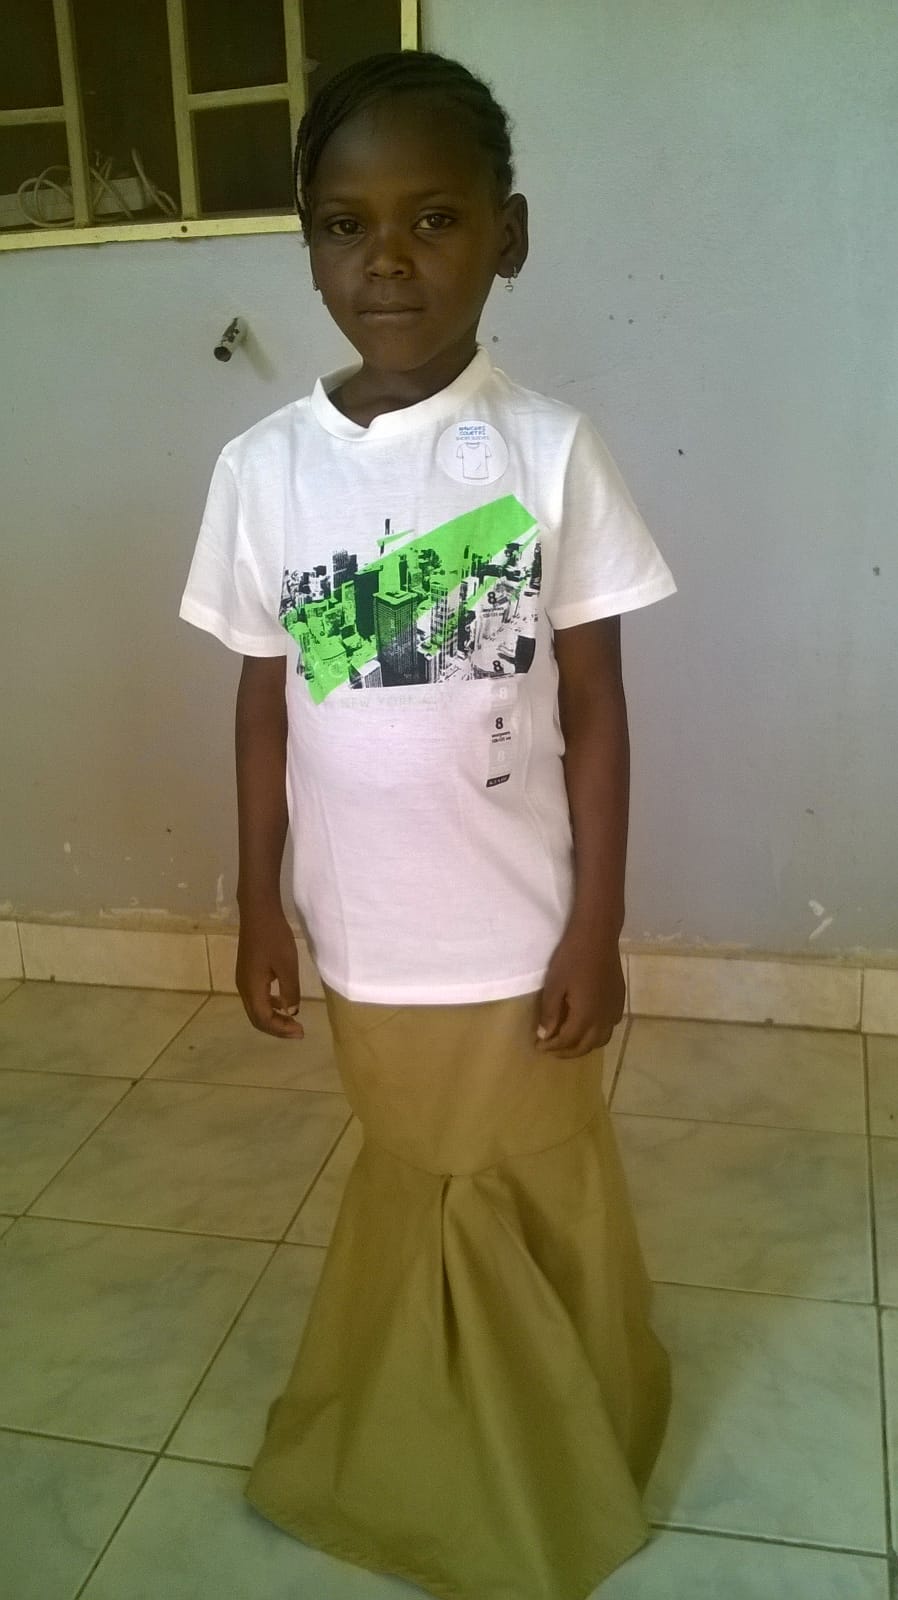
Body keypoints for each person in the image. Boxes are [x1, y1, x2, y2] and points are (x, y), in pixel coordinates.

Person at [179, 48, 675, 1600]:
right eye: (345, 225)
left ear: (505, 236)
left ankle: (543, 1448)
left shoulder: (551, 453)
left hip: (519, 927)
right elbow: (264, 707)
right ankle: (433, 1441)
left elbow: (595, 707)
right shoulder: (263, 470)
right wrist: (256, 903)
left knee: (529, 1173)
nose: (385, 260)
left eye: (434, 218)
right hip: (368, 931)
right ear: (308, 246)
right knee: (424, 1175)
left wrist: (595, 926)